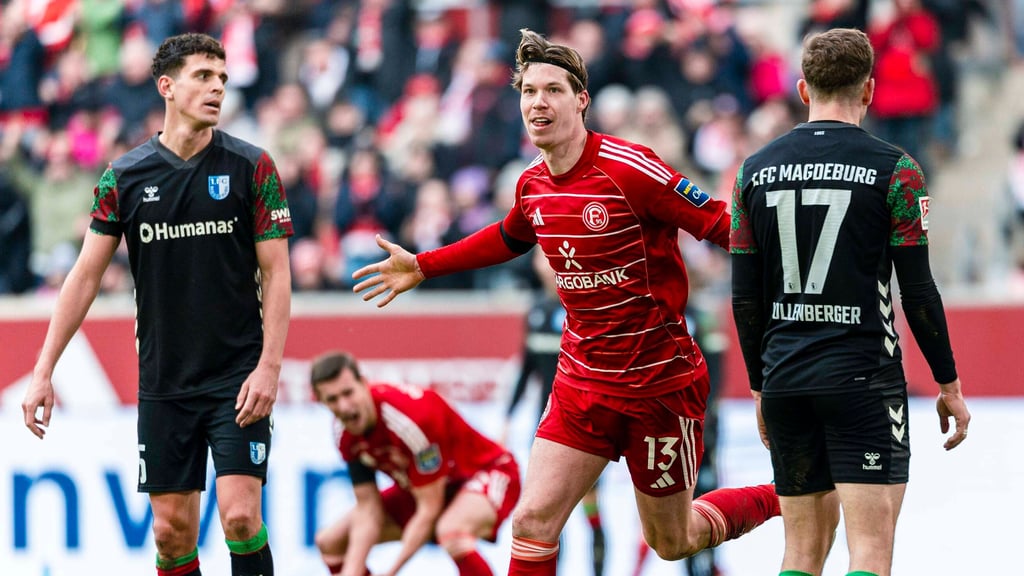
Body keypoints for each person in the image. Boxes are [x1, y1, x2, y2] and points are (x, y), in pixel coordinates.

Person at [352, 28, 780, 576]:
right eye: (529, 91)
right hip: (582, 383)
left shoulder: (631, 168)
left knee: (673, 540)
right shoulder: (532, 184)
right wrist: (423, 265)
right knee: (532, 523)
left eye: (553, 90)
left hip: (657, 384)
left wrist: (797, 272)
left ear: (581, 100)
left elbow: (723, 224)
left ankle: (784, 494)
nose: (538, 102)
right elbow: (508, 236)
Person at [21, 32, 292, 576]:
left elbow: (277, 273)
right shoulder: (123, 178)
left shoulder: (252, 167)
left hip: (237, 377)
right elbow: (84, 276)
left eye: (222, 78)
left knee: (241, 518)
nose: (217, 88)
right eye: (203, 76)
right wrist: (43, 370)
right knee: (170, 535)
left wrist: (269, 368)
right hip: (165, 381)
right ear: (166, 87)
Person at [729, 28, 971, 576]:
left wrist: (761, 387)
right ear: (869, 90)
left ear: (802, 89)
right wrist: (949, 384)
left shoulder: (751, 172)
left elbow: (745, 298)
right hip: (862, 381)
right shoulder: (897, 170)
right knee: (870, 550)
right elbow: (918, 291)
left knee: (800, 552)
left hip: (785, 378)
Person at [309, 350, 521, 576]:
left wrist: (391, 571)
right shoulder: (343, 433)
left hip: (489, 471)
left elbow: (429, 509)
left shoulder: (410, 419)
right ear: (321, 401)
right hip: (429, 490)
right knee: (330, 542)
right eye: (332, 399)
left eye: (348, 393)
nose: (344, 406)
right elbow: (368, 509)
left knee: (452, 531)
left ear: (364, 383)